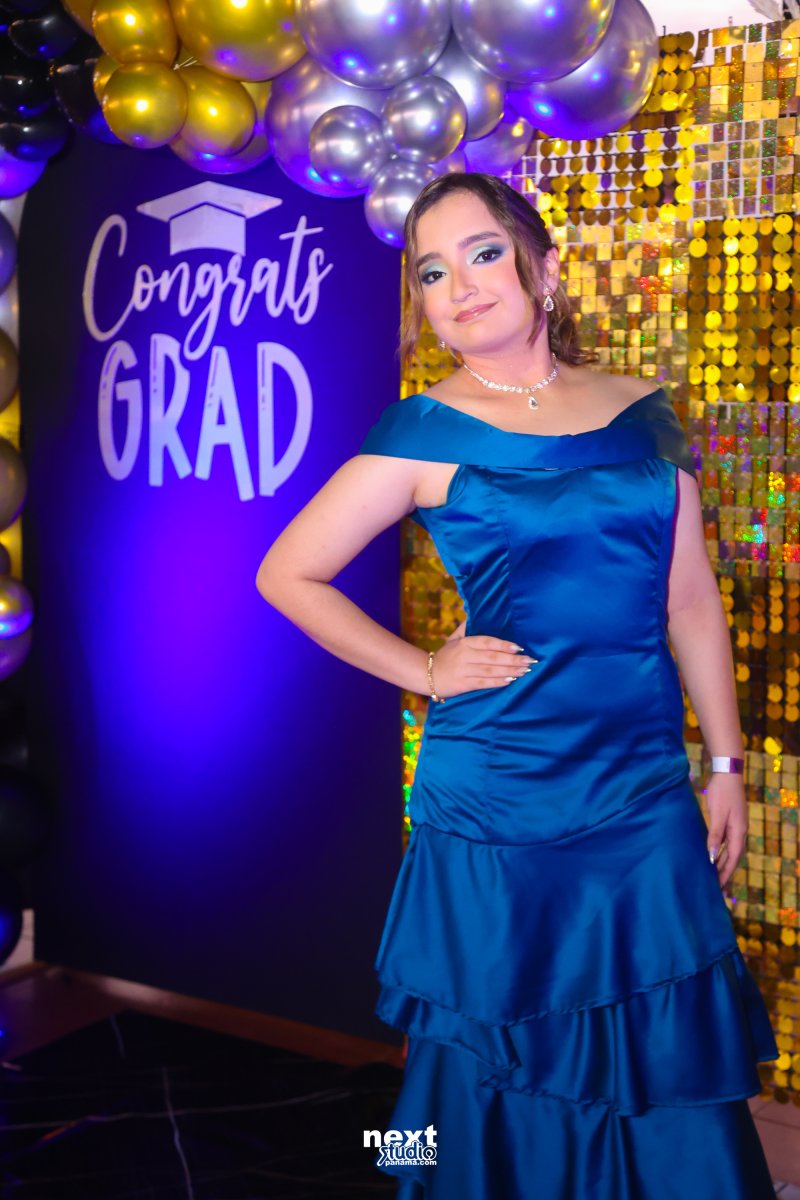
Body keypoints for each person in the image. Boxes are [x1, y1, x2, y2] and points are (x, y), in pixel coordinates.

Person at [255, 172, 779, 1199]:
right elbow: (286, 574)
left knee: (659, 1024)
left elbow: (689, 600)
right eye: (431, 273)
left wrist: (723, 765)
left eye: (483, 254)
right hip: (499, 793)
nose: (459, 287)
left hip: (638, 785)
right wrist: (423, 670)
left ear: (543, 268)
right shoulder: (421, 430)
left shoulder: (643, 411)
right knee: (483, 1042)